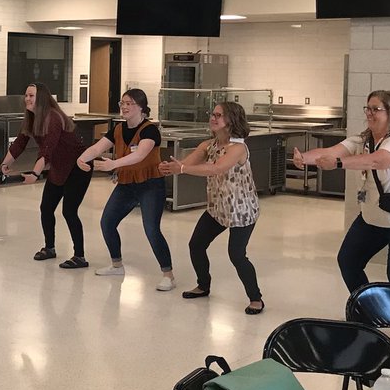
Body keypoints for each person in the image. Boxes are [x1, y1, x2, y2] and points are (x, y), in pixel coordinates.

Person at [293, 90, 390, 291]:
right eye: (367, 108)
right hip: (374, 218)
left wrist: (339, 163)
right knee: (348, 261)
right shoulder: (361, 141)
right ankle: (367, 309)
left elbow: (377, 161)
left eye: (375, 109)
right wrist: (304, 158)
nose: (369, 113)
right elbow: (330, 152)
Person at [159, 102, 264, 314]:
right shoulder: (209, 145)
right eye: (212, 114)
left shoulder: (238, 148)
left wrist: (183, 168)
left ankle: (256, 299)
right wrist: (174, 168)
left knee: (236, 255)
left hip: (241, 210)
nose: (213, 118)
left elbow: (217, 168)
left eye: (219, 115)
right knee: (196, 245)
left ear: (231, 121)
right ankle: (203, 285)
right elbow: (188, 163)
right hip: (218, 208)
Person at [76, 89, 176, 290]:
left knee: (151, 229)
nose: (124, 107)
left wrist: (113, 164)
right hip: (127, 184)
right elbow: (97, 148)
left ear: (141, 107)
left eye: (129, 103)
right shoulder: (118, 129)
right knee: (107, 222)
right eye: (122, 103)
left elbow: (139, 155)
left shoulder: (150, 130)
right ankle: (116, 264)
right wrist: (81, 158)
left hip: (150, 185)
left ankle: (168, 275)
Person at [1, 83, 91, 267]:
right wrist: (5, 163)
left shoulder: (53, 118)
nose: (27, 99)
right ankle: (49, 248)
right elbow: (20, 142)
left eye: (31, 96)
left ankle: (79, 256)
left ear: (41, 98)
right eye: (26, 95)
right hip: (59, 167)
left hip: (78, 167)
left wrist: (35, 173)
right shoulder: (32, 119)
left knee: (69, 211)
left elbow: (47, 149)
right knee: (46, 208)